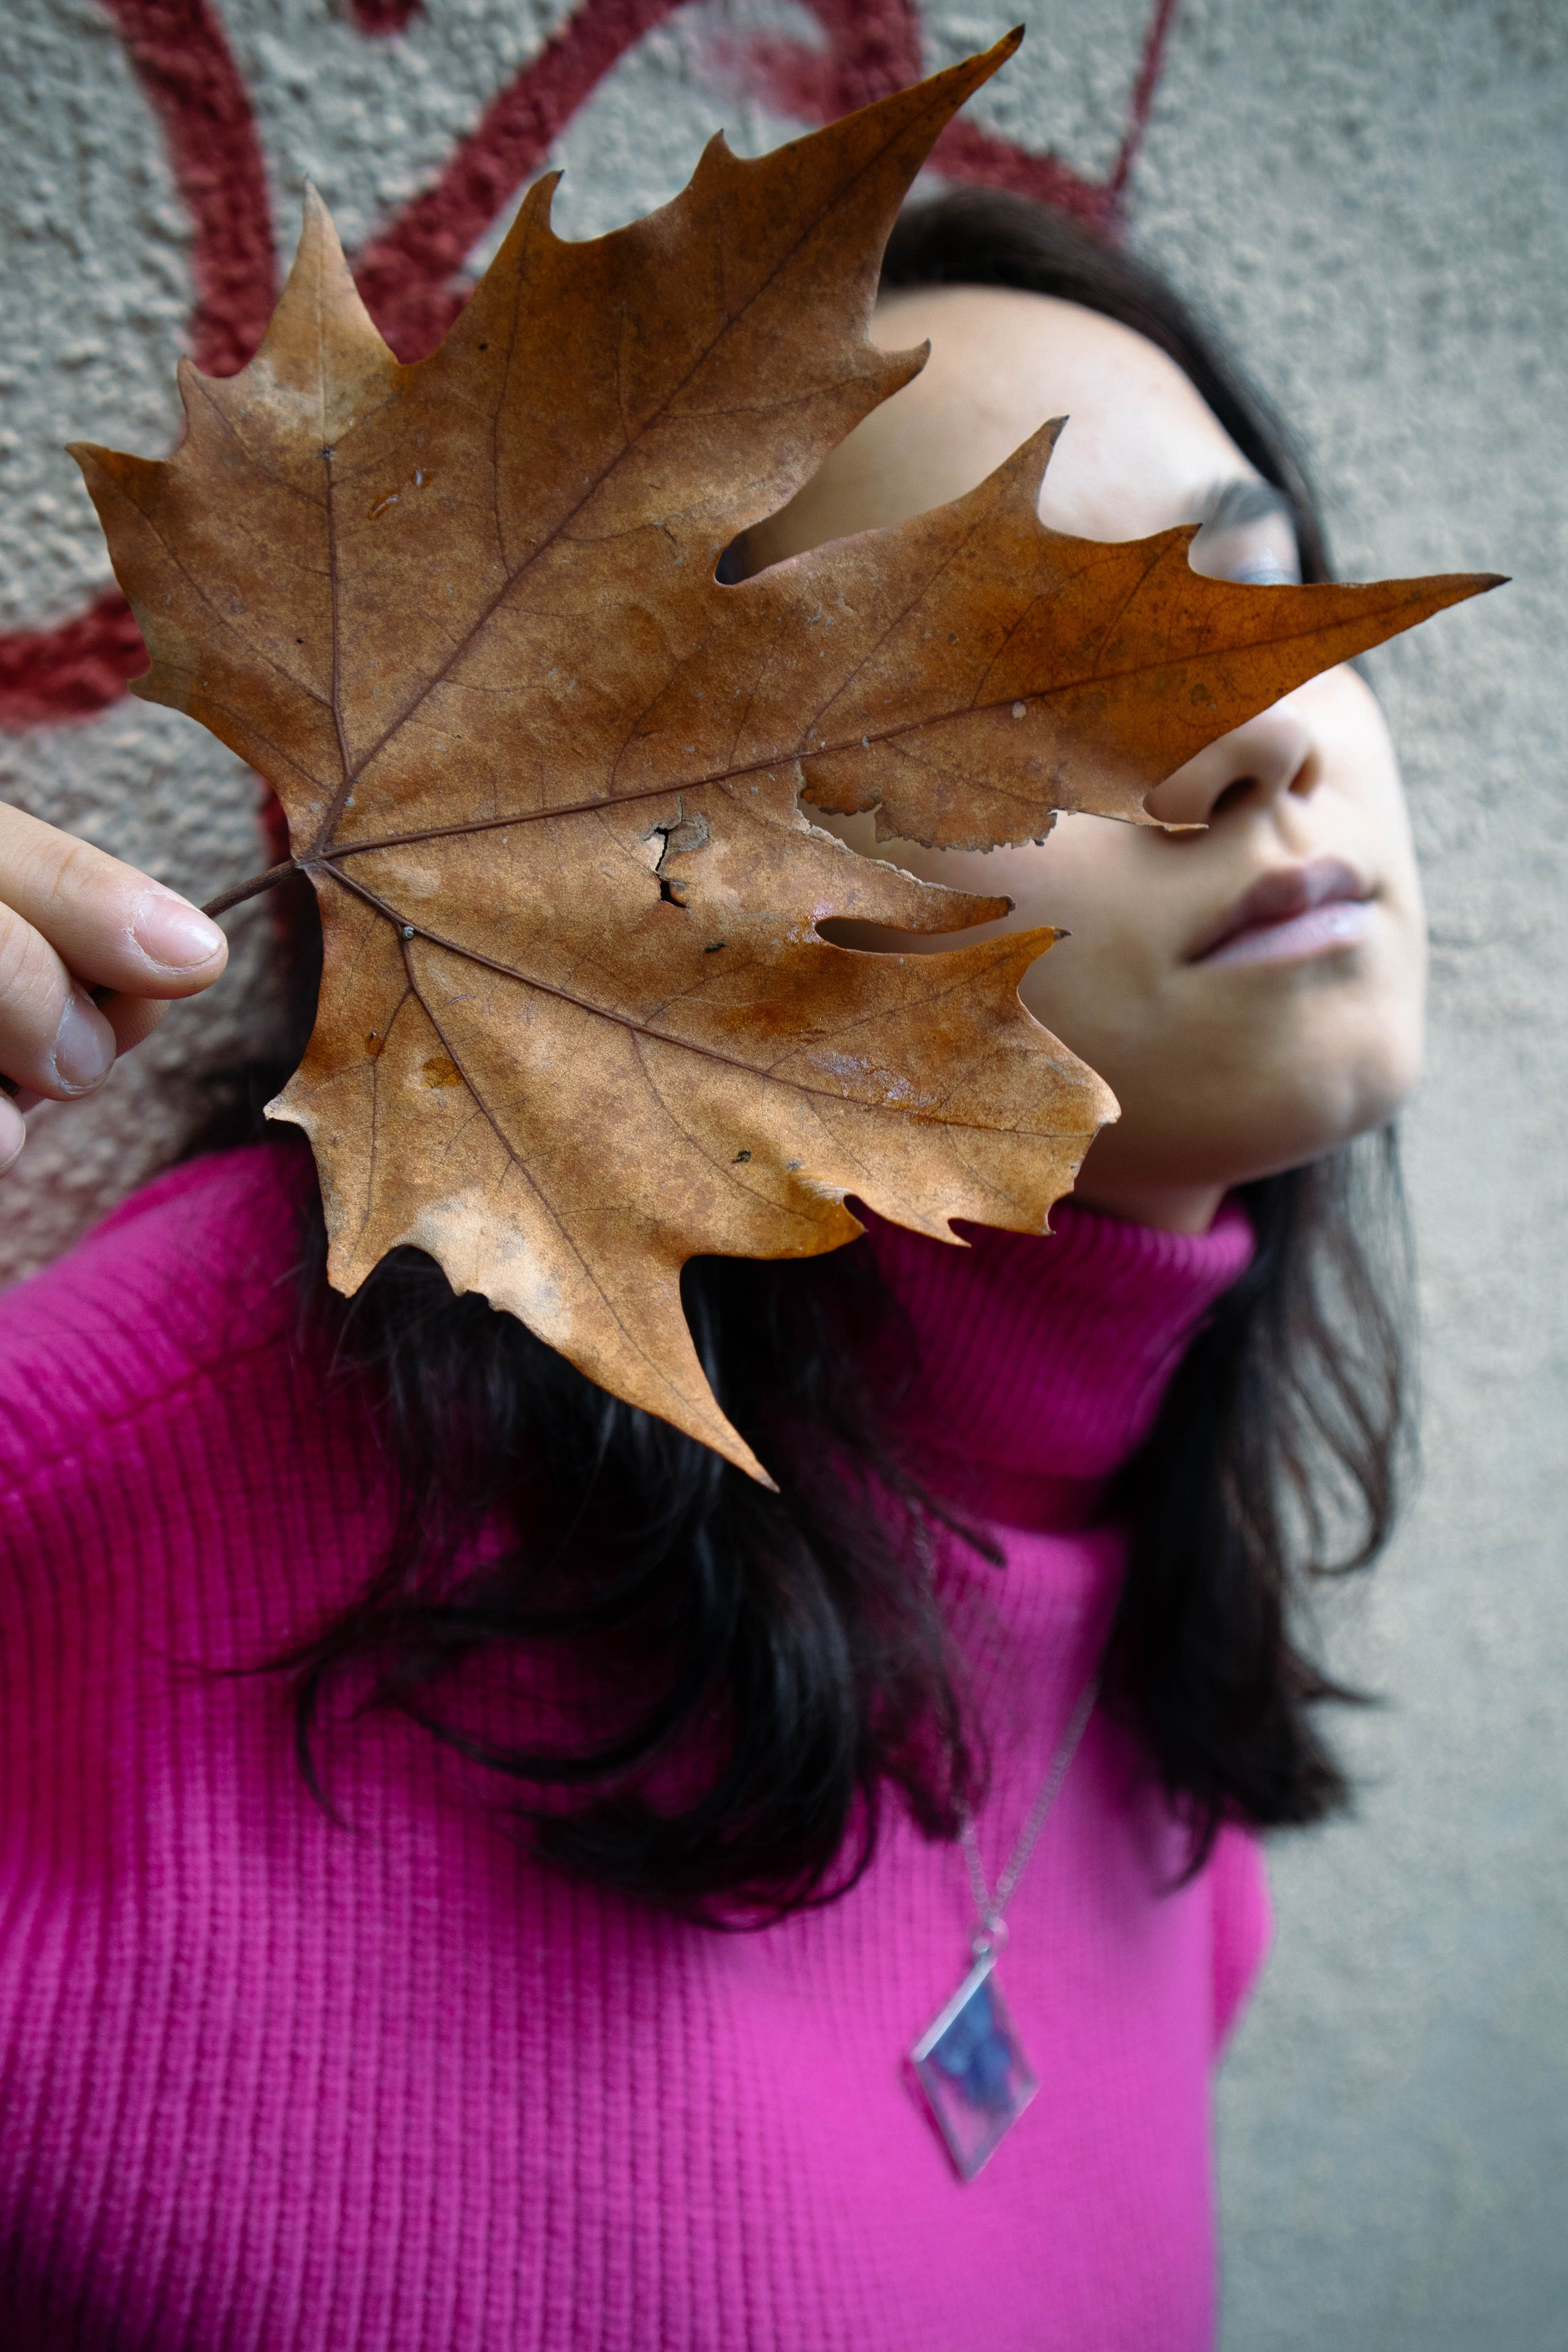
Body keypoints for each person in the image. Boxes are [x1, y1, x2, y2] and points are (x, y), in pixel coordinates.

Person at [0, 188, 1421, 2350]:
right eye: (1004, 676)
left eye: (1254, 590)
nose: (1262, 733)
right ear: (679, 903)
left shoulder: (1166, 1766)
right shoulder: (146, 1467)